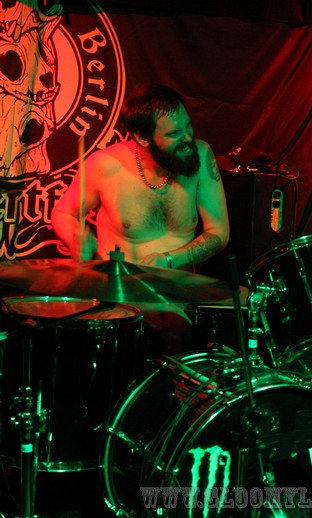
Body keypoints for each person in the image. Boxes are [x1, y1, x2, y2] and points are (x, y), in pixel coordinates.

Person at [52, 83, 230, 354]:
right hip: (121, 294)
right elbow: (64, 212)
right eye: (174, 133)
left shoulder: (200, 155)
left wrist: (168, 260)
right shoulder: (105, 165)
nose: (187, 138)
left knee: (181, 332)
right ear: (142, 138)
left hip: (178, 293)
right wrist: (77, 238)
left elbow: (219, 233)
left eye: (188, 126)